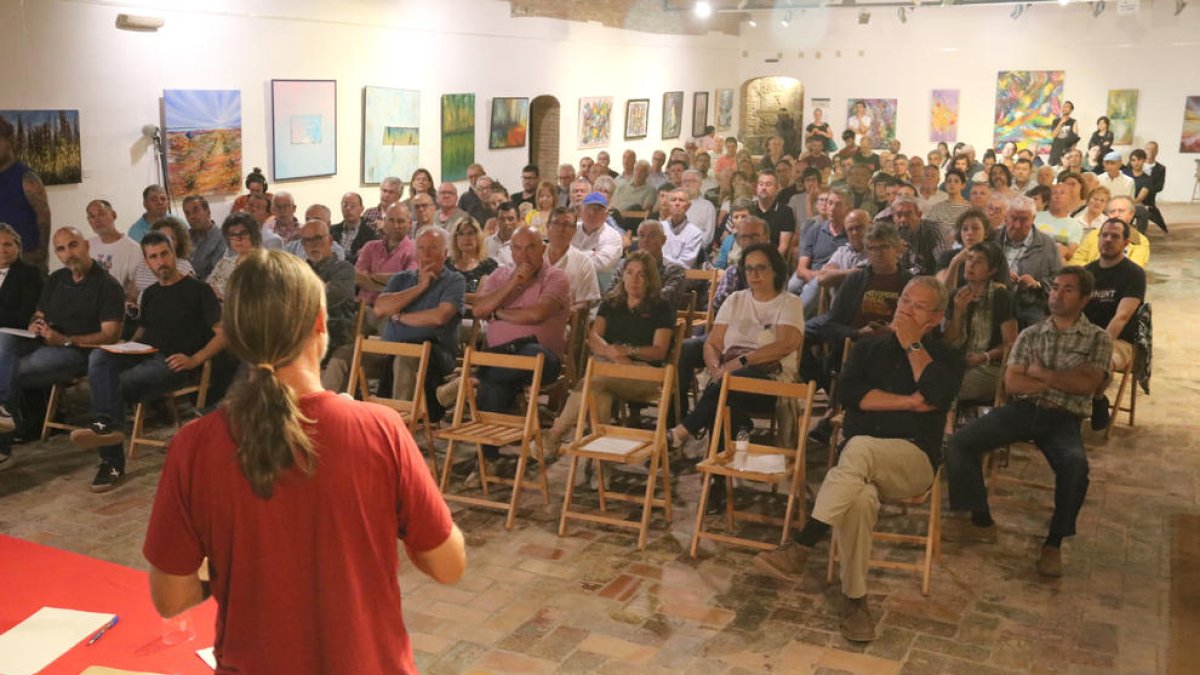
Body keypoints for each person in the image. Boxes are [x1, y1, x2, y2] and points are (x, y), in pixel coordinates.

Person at [142, 248, 465, 674]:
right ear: (319, 321)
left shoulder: (194, 445)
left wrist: (222, 570)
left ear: (235, 336)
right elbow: (448, 564)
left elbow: (172, 597)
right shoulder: (379, 430)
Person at [755, 276, 962, 643]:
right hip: (858, 462)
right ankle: (856, 601)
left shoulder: (947, 354)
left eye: (916, 305)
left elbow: (937, 392)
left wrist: (913, 345)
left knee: (860, 448)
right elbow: (851, 396)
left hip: (912, 461)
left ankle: (803, 544)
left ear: (935, 317)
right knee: (859, 497)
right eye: (903, 301)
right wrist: (911, 402)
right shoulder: (868, 348)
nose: (904, 309)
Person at [945, 266, 1110, 578]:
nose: (1057, 295)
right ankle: (981, 521)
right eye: (1055, 287)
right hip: (1022, 410)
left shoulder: (1097, 338)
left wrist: (1042, 375)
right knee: (959, 443)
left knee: (1075, 466)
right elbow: (1013, 384)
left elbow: (1088, 385)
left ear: (1085, 299)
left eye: (1068, 290)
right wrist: (1061, 381)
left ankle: (1054, 542)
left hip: (1064, 418)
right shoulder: (1031, 334)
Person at [69, 231, 224, 492]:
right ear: (147, 261)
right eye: (153, 257)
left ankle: (111, 459)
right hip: (144, 352)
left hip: (175, 362)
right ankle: (107, 425)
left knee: (113, 384)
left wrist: (195, 359)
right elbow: (144, 330)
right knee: (99, 357)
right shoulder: (150, 293)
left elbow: (224, 335)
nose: (160, 261)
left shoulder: (199, 290)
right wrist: (122, 347)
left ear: (174, 254)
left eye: (165, 254)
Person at [670, 243, 804, 510]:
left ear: (775, 270)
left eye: (761, 268)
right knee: (725, 401)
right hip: (730, 382)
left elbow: (784, 345)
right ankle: (716, 483)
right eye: (749, 268)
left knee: (725, 390)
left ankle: (682, 432)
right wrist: (716, 367)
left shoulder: (789, 303)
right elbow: (713, 343)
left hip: (772, 384)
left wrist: (739, 362)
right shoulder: (735, 300)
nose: (754, 274)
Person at [0, 228, 123, 469]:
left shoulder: (107, 285)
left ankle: (2, 445)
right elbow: (40, 312)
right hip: (45, 341)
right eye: (61, 249)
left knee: (7, 369)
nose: (68, 253)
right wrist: (36, 323)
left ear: (86, 246)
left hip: (77, 351)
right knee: (3, 342)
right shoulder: (57, 279)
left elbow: (110, 335)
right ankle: (3, 416)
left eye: (73, 245)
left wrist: (66, 340)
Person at [543, 250, 674, 455]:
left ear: (650, 279)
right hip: (611, 370)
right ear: (622, 275)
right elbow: (594, 338)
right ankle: (602, 464)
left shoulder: (661, 306)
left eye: (641, 275)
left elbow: (659, 351)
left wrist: (628, 351)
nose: (634, 280)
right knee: (598, 392)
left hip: (645, 373)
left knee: (596, 377)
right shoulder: (612, 302)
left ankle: (555, 434)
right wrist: (615, 356)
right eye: (629, 273)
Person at [469, 226, 569, 461]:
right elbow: (479, 309)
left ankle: (477, 372)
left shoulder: (557, 277)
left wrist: (499, 313)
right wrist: (513, 283)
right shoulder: (500, 276)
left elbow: (537, 315)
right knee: (496, 381)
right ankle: (488, 459)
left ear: (543, 249)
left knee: (530, 351)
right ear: (510, 251)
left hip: (544, 360)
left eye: (531, 248)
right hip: (502, 363)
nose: (524, 255)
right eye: (518, 249)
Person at [367, 227, 465, 420]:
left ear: (445, 254)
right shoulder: (401, 278)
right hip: (389, 350)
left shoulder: (454, 280)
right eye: (422, 248)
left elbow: (439, 317)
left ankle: (397, 427)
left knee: (405, 358)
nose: (426, 254)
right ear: (415, 252)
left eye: (433, 248)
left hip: (433, 354)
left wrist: (399, 317)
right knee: (345, 357)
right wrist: (420, 287)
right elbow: (380, 308)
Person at [1082, 218, 1145, 429]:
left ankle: (1097, 398)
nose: (1108, 240)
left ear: (1126, 242)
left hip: (1119, 340)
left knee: (1101, 361)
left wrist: (1099, 344)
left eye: (1115, 236)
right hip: (1084, 335)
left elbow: (1122, 317)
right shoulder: (1086, 272)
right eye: (1104, 235)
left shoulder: (1134, 274)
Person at [943, 242, 1017, 402]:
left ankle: (948, 425)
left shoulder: (1001, 296)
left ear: (992, 270)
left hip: (990, 367)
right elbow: (947, 340)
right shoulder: (956, 295)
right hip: (957, 362)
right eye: (969, 259)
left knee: (946, 389)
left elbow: (1010, 343)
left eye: (979, 261)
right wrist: (957, 312)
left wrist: (984, 356)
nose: (971, 265)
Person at [299, 219, 357, 389]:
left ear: (330, 240)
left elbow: (328, 298)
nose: (313, 245)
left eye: (318, 238)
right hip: (303, 337)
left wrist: (302, 293)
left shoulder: (344, 269)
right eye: (307, 241)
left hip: (336, 336)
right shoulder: (300, 269)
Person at [998, 196, 1062, 327]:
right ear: (1006, 217)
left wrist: (1036, 284)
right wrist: (1000, 278)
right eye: (1014, 218)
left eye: (1024, 220)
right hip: (994, 303)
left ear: (1033, 219)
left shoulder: (1047, 245)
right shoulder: (992, 240)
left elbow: (1058, 281)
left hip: (1031, 309)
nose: (1017, 225)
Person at [0, 118, 52, 271]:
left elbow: (43, 216)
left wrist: (40, 254)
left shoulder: (26, 177)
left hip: (26, 259)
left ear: (9, 140)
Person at [790, 189, 849, 313]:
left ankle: (794, 318)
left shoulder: (850, 233)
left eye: (838, 204)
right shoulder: (815, 230)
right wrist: (815, 276)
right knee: (794, 285)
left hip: (836, 276)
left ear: (847, 208)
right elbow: (801, 269)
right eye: (830, 203)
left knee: (818, 286)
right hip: (813, 272)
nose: (832, 208)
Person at [354, 201, 419, 314]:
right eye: (391, 220)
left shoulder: (416, 249)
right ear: (384, 222)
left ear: (409, 224)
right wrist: (390, 285)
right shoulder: (370, 247)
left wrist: (371, 277)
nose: (395, 226)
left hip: (395, 312)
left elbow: (406, 282)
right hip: (363, 309)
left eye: (400, 221)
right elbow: (357, 278)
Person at [543, 207, 600, 311]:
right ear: (547, 226)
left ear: (574, 230)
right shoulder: (535, 256)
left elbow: (585, 303)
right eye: (556, 223)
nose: (560, 229)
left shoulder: (584, 263)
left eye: (566, 225)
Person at [1069, 196, 1150, 268]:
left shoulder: (1140, 240)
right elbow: (1075, 262)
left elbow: (1135, 268)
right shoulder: (1094, 235)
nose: (1116, 215)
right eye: (1112, 212)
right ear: (1107, 215)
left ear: (1131, 214)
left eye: (1121, 211)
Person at [936, 208, 1002, 289]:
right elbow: (942, 292)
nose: (969, 233)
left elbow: (1002, 289)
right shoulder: (947, 256)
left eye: (975, 228)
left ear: (986, 233)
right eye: (965, 229)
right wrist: (955, 262)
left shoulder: (995, 255)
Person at [85, 199, 142, 290]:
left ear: (114, 215)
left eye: (101, 214)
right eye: (92, 216)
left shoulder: (133, 248)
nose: (97, 220)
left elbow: (137, 283)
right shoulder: (86, 245)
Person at [208, 214, 264, 302]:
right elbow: (208, 289)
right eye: (233, 234)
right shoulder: (223, 263)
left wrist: (223, 297)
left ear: (254, 234)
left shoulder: (264, 264)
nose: (238, 239)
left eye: (244, 233)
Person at [891, 197, 949, 277]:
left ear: (919, 215)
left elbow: (944, 263)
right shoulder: (890, 234)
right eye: (899, 215)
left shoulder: (933, 231)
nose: (903, 219)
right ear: (893, 216)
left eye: (908, 215)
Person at [181, 196, 227, 282]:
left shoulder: (222, 238)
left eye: (196, 211)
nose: (192, 216)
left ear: (208, 212)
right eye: (187, 213)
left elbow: (217, 276)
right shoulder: (185, 237)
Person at [446, 217, 497, 294]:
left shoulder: (489, 265)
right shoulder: (447, 264)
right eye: (461, 234)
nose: (466, 238)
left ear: (478, 237)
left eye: (470, 233)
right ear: (455, 239)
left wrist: (454, 295)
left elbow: (483, 297)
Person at [1035, 183, 1084, 262]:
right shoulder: (1034, 217)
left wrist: (1065, 251)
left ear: (1070, 199)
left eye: (1062, 193)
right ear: (1049, 199)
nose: (1058, 196)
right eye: (1054, 193)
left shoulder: (1076, 226)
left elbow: (1071, 254)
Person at [331, 192, 378, 264]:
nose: (348, 209)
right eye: (345, 205)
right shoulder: (331, 230)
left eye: (352, 206)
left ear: (362, 209)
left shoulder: (370, 235)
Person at [1142, 141, 1168, 233]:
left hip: (1149, 200)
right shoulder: (1135, 163)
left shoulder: (1161, 168)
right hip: (1133, 198)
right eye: (1148, 149)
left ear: (1157, 152)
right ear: (1144, 150)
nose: (1150, 152)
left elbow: (1159, 186)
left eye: (1153, 150)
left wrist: (1146, 190)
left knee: (1161, 226)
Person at [1049, 101, 1079, 168]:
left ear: (1071, 110)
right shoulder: (1055, 121)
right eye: (1064, 106)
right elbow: (1053, 135)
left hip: (1066, 153)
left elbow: (1075, 139)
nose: (1065, 108)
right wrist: (1061, 123)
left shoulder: (1073, 122)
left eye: (1067, 107)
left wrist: (1070, 153)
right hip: (1055, 151)